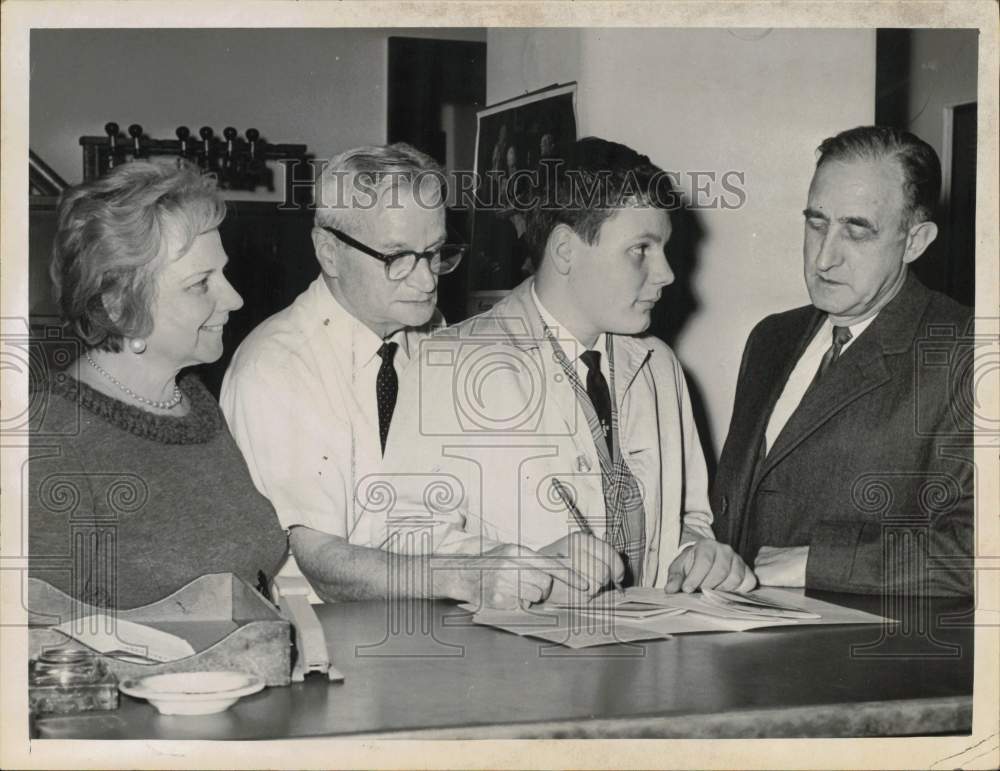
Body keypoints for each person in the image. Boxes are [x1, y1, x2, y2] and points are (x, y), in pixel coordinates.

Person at [376, 137, 757, 603]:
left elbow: (687, 519)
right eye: (641, 249)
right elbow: (399, 543)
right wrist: (525, 571)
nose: (666, 273)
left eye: (664, 250)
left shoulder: (659, 366)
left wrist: (699, 554)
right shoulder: (449, 362)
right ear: (564, 251)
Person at [221, 143, 581, 606]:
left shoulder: (431, 335)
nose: (428, 280)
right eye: (397, 258)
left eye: (435, 253)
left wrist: (537, 564)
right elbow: (324, 568)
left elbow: (435, 520)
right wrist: (469, 576)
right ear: (329, 252)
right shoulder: (277, 367)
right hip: (324, 635)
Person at [711, 125, 973, 596]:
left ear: (916, 241)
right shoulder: (772, 337)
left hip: (857, 659)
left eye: (857, 230)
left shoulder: (964, 349)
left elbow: (979, 551)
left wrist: (819, 563)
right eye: (816, 223)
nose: (824, 258)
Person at [29, 160, 287, 609]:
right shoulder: (50, 436)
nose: (234, 299)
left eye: (221, 273)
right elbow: (38, 639)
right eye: (200, 284)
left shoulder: (194, 402)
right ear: (118, 306)